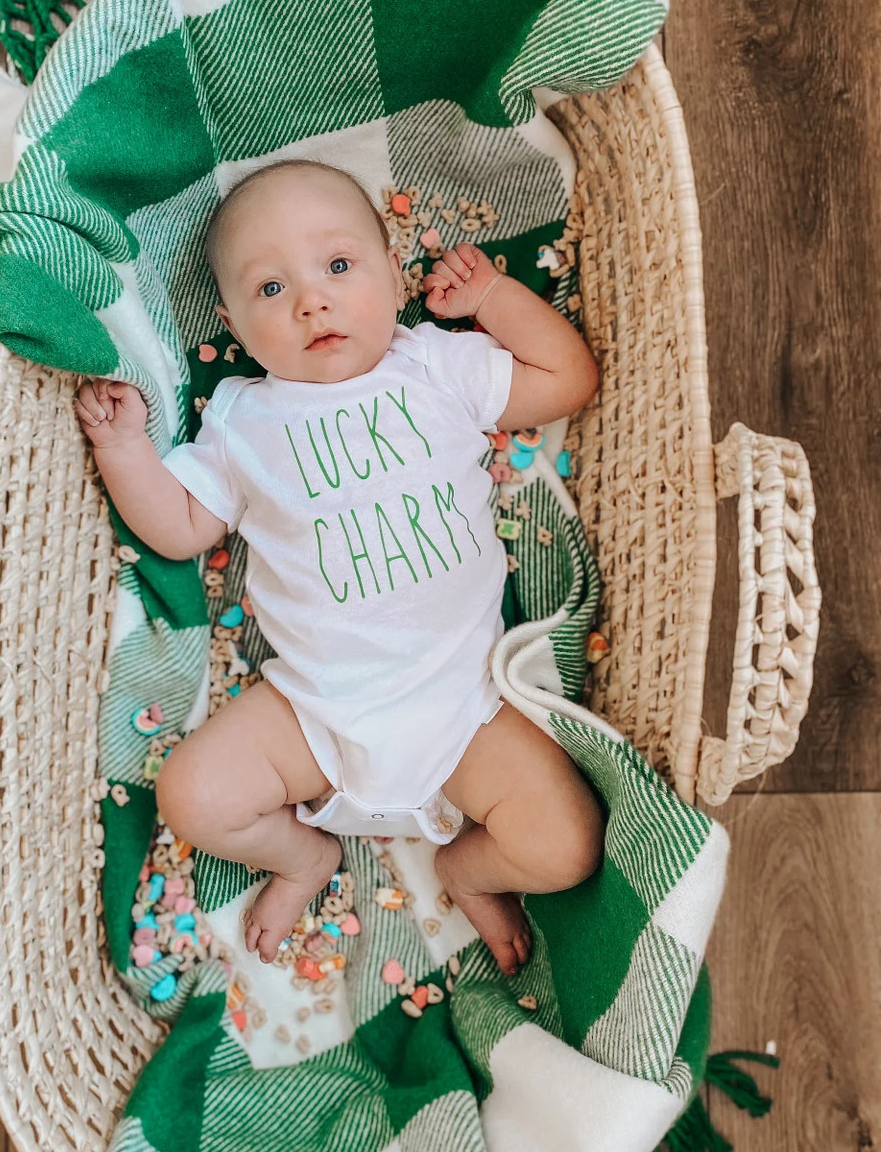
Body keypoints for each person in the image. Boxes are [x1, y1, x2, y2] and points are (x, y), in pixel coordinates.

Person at [75, 159, 604, 976]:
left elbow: (568, 379)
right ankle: (302, 857)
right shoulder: (244, 421)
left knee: (565, 846)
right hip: (314, 712)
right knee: (192, 794)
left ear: (396, 274)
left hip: (461, 706)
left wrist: (494, 298)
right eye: (271, 290)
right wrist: (122, 447)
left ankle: (468, 867)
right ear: (234, 324)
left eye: (338, 267)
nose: (312, 301)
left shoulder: (435, 368)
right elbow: (181, 528)